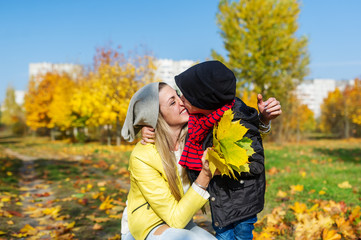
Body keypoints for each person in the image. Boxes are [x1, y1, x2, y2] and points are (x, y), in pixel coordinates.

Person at [141, 60, 282, 240]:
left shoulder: (235, 119)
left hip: (242, 205)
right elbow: (164, 125)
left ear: (203, 100)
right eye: (176, 96)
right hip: (220, 202)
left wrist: (219, 165)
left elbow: (255, 163)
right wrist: (149, 127)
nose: (182, 100)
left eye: (185, 95)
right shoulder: (199, 119)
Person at [121, 82, 217, 240]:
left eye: (178, 95)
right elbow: (175, 220)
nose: (181, 102)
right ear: (157, 116)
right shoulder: (142, 156)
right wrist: (205, 176)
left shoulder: (194, 137)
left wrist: (262, 121)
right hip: (146, 226)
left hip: (179, 219)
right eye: (172, 102)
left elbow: (232, 137)